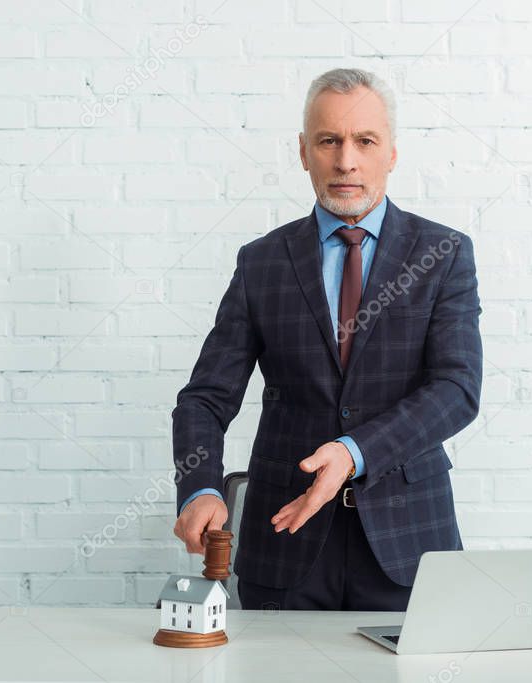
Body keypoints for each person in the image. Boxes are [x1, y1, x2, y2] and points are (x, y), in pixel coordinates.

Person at [172, 67, 483, 611]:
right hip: (283, 541)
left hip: (408, 541)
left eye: (365, 141)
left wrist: (353, 452)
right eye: (328, 141)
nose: (346, 161)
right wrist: (200, 486)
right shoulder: (262, 261)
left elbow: (457, 389)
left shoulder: (444, 253)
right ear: (302, 151)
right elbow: (205, 397)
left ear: (391, 152)